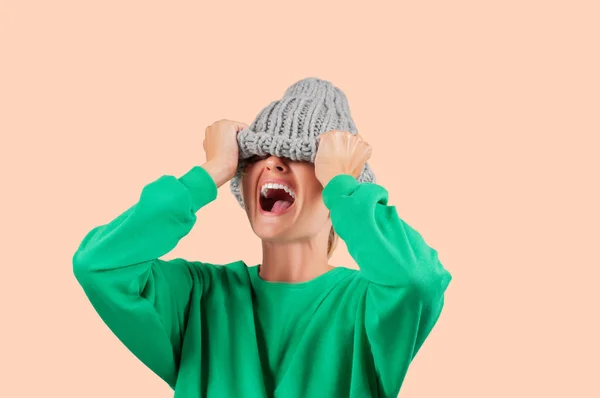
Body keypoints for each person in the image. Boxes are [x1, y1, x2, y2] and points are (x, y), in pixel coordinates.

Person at [72, 77, 452, 398]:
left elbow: (419, 281)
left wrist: (345, 190)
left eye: (304, 156)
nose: (273, 161)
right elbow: (99, 265)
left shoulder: (369, 306)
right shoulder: (197, 298)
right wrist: (210, 172)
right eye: (258, 154)